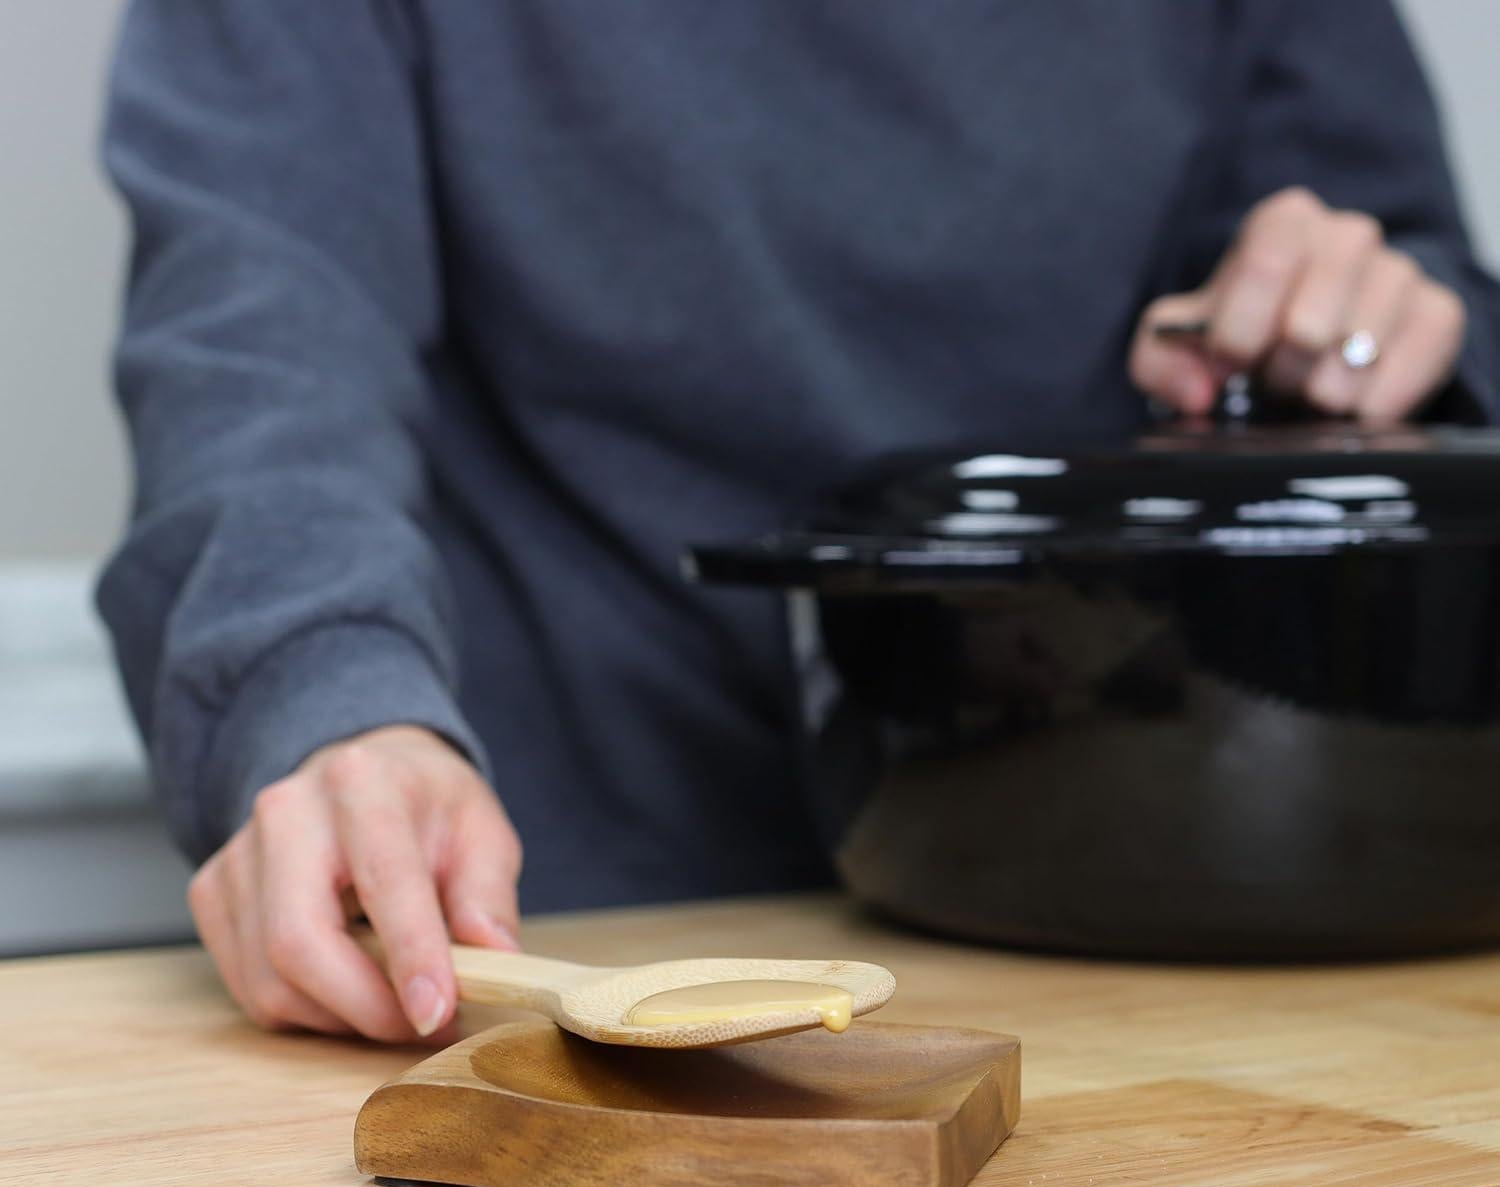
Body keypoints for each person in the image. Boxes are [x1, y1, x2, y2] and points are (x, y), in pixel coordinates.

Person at [100, 2, 1500, 1043]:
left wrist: (1378, 320)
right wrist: (325, 695)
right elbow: (263, 331)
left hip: (1130, 914)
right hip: (552, 921)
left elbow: (1415, 279)